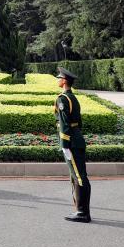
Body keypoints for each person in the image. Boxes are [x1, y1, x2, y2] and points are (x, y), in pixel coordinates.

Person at [55, 68, 90, 223]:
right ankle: (80, 210)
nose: (57, 80)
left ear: (64, 81)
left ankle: (82, 212)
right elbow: (78, 122)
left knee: (79, 177)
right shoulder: (73, 97)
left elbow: (64, 123)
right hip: (77, 139)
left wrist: (64, 144)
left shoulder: (63, 99)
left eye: (59, 78)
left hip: (71, 143)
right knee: (78, 176)